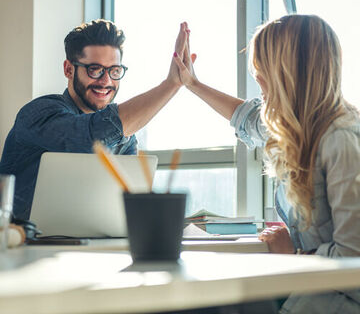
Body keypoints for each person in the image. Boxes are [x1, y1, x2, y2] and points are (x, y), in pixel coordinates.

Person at [173, 16, 360, 313]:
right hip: (307, 291)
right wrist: (192, 83)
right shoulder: (298, 129)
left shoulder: (341, 140)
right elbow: (246, 118)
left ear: (288, 73)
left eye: (263, 68)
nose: (257, 78)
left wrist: (296, 256)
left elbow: (354, 260)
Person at [0, 19, 188, 221]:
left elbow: (128, 208)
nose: (106, 81)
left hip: (91, 246)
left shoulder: (125, 139)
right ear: (69, 69)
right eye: (95, 69)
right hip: (21, 247)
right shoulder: (39, 113)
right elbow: (90, 138)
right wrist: (170, 85)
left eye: (114, 71)